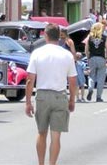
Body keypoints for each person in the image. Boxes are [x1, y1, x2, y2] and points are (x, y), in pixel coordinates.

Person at [25, 23, 77, 165]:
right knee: (56, 136)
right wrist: (72, 100)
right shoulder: (66, 55)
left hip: (42, 95)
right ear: (59, 36)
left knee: (42, 133)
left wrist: (28, 102)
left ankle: (41, 163)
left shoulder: (37, 53)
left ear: (45, 35)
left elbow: (30, 80)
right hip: (60, 95)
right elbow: (72, 80)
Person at [84, 22, 107, 102]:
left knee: (91, 76)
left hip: (92, 58)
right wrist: (106, 57)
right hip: (101, 58)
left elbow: (86, 50)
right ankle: (98, 97)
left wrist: (88, 58)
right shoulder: (104, 37)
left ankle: (90, 88)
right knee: (101, 78)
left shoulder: (89, 37)